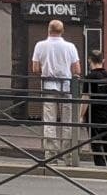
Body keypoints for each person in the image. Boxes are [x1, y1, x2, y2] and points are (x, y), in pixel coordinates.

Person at [31, 19, 81, 165]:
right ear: (62, 31)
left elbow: (35, 68)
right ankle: (68, 156)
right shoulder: (70, 46)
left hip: (48, 86)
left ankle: (51, 156)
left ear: (48, 29)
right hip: (66, 87)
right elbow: (77, 70)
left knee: (49, 122)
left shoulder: (40, 45)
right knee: (67, 122)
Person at [82, 49, 107, 167]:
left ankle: (100, 166)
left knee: (95, 141)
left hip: (93, 113)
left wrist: (81, 115)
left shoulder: (89, 77)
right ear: (103, 60)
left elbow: (85, 98)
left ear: (89, 60)